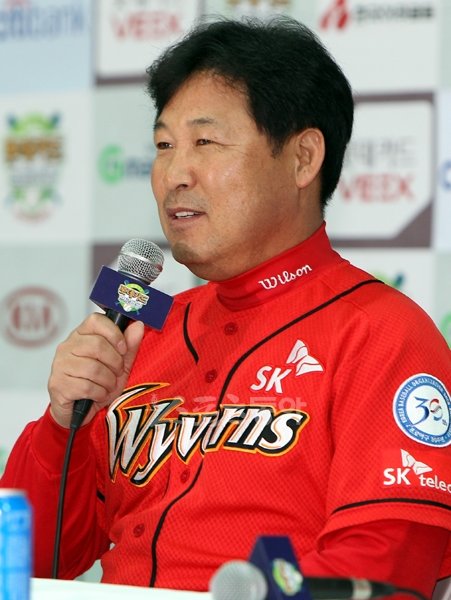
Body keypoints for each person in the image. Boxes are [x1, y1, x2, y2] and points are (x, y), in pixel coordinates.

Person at [1, 16, 450, 599]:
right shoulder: (145, 330)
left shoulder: (382, 333)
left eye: (205, 143)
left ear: (303, 158)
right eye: (164, 146)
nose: (174, 175)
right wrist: (64, 424)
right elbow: (30, 560)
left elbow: (381, 570)